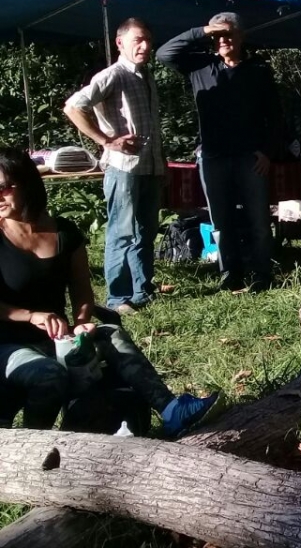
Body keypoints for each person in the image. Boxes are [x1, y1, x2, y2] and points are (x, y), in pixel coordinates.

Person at [0, 149, 216, 435]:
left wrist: (81, 324)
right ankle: (30, 447)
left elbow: (82, 292)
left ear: (26, 182)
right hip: (9, 344)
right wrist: (30, 316)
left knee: (111, 334)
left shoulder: (65, 233)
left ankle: (171, 409)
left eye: (3, 188)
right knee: (48, 375)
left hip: (58, 341)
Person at [157, 12, 283, 293]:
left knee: (258, 219)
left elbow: (275, 117)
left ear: (241, 36)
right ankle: (231, 274)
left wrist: (267, 152)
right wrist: (203, 30)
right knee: (220, 221)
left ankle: (262, 273)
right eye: (218, 36)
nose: (223, 40)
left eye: (229, 33)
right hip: (213, 157)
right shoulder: (201, 66)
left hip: (250, 157)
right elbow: (165, 54)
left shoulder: (258, 71)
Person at [63, 18, 165, 315]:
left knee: (146, 231)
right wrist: (106, 140)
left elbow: (153, 128)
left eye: (148, 39)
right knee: (121, 231)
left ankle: (142, 290)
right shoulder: (113, 75)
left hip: (150, 166)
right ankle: (117, 298)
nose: (145, 46)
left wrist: (163, 164)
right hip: (123, 167)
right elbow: (73, 106)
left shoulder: (145, 77)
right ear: (120, 43)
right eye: (138, 40)